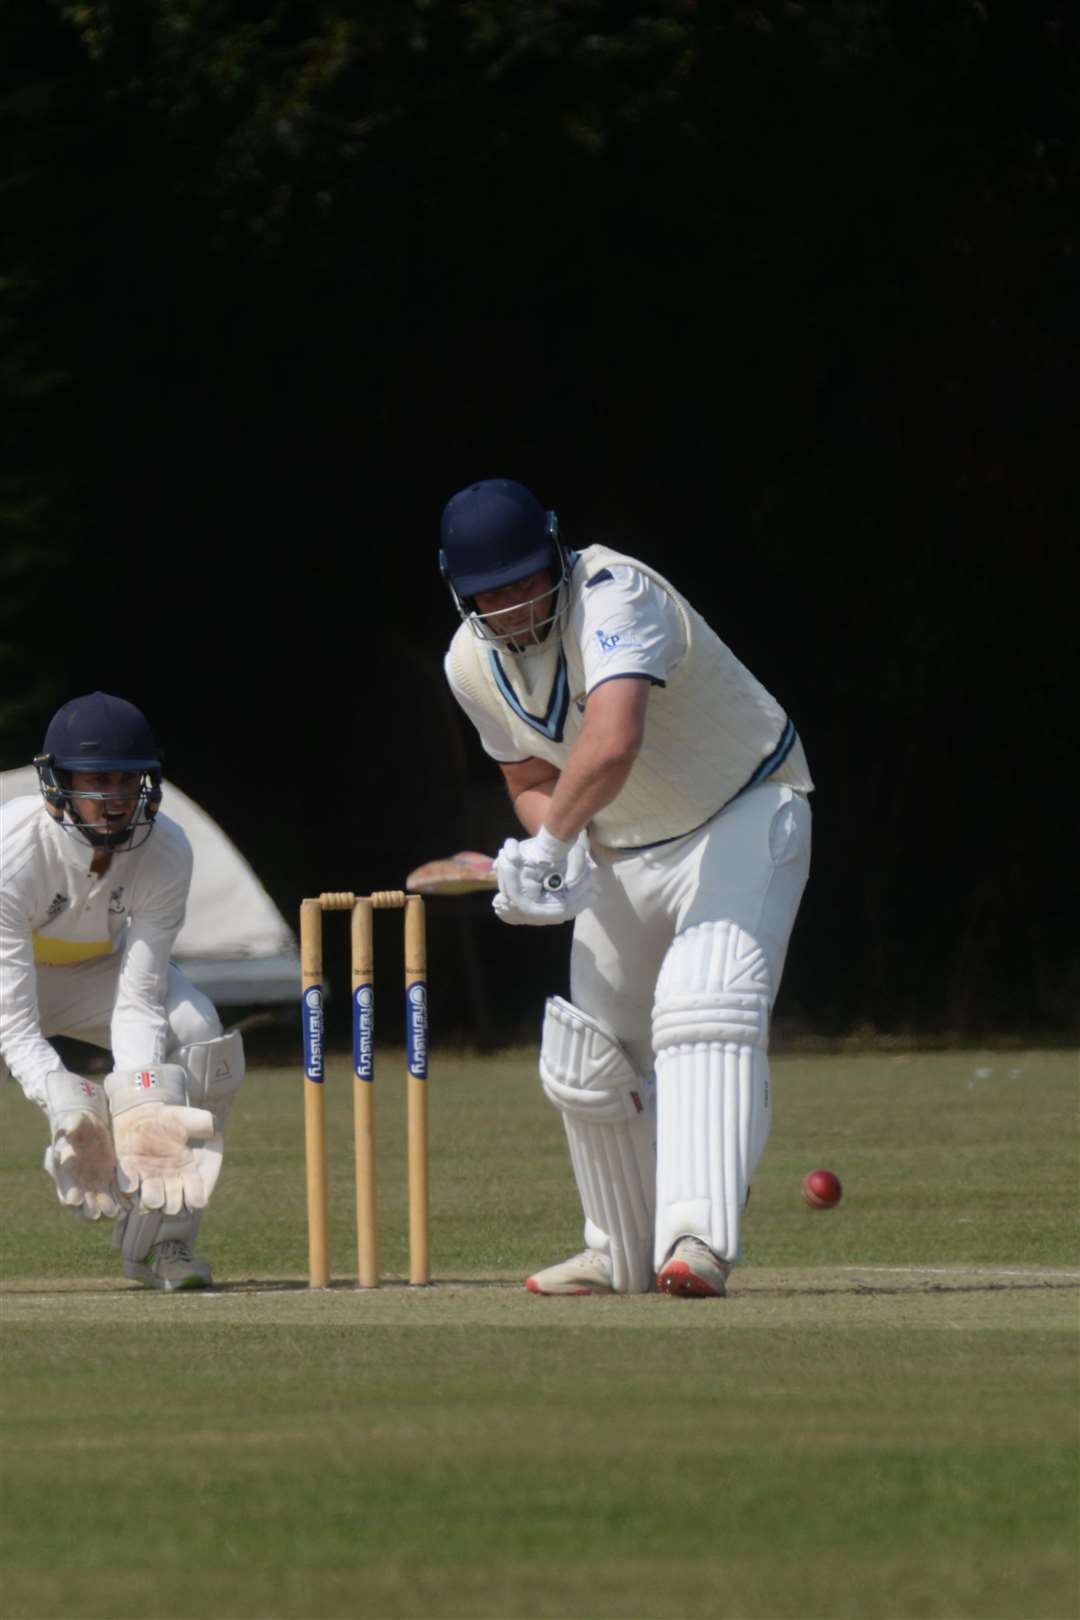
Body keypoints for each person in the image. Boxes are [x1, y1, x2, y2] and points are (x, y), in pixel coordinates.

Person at [439, 478, 813, 1297]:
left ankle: (697, 1242)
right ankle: (618, 1245)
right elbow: (531, 772)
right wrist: (560, 857)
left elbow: (611, 742)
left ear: (555, 557)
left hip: (744, 810)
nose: (510, 605)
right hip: (625, 846)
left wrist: (549, 842)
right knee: (588, 1052)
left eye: (524, 580)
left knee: (703, 1002)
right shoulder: (469, 663)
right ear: (459, 593)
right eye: (488, 593)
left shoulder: (615, 592)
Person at [0, 692, 244, 1290]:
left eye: (129, 779)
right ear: (57, 784)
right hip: (11, 978)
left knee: (198, 1032)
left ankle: (168, 1243)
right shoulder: (12, 854)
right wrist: (64, 1100)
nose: (116, 799)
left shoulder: (167, 850)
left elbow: (139, 997)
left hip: (95, 975)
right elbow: (14, 1021)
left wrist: (140, 1102)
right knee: (67, 1093)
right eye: (98, 781)